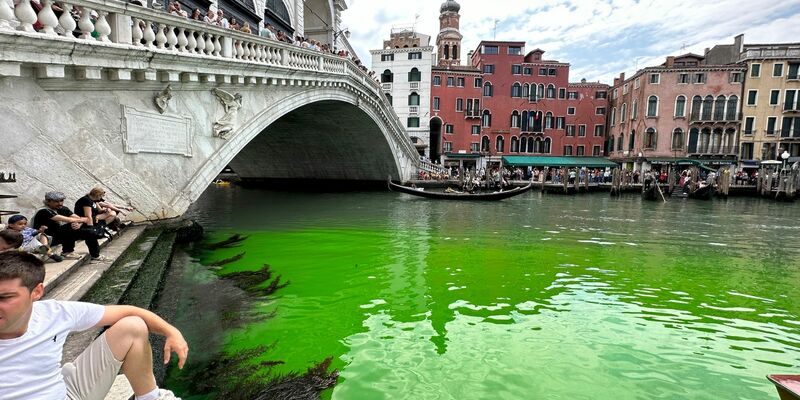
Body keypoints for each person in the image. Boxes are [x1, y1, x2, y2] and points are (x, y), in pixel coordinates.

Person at [0, 251, 189, 400]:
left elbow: (129, 311)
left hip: (64, 393)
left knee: (132, 326)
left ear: (37, 292)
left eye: (5, 298)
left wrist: (171, 332)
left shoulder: (55, 313)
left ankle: (150, 397)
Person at [32, 191, 103, 261]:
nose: (60, 203)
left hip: (58, 234)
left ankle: (95, 256)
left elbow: (79, 218)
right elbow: (69, 219)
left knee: (89, 232)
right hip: (46, 238)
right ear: (48, 201)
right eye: (56, 201)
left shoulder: (62, 208)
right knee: (70, 226)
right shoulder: (43, 211)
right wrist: (79, 221)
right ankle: (67, 251)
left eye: (61, 201)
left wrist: (78, 224)